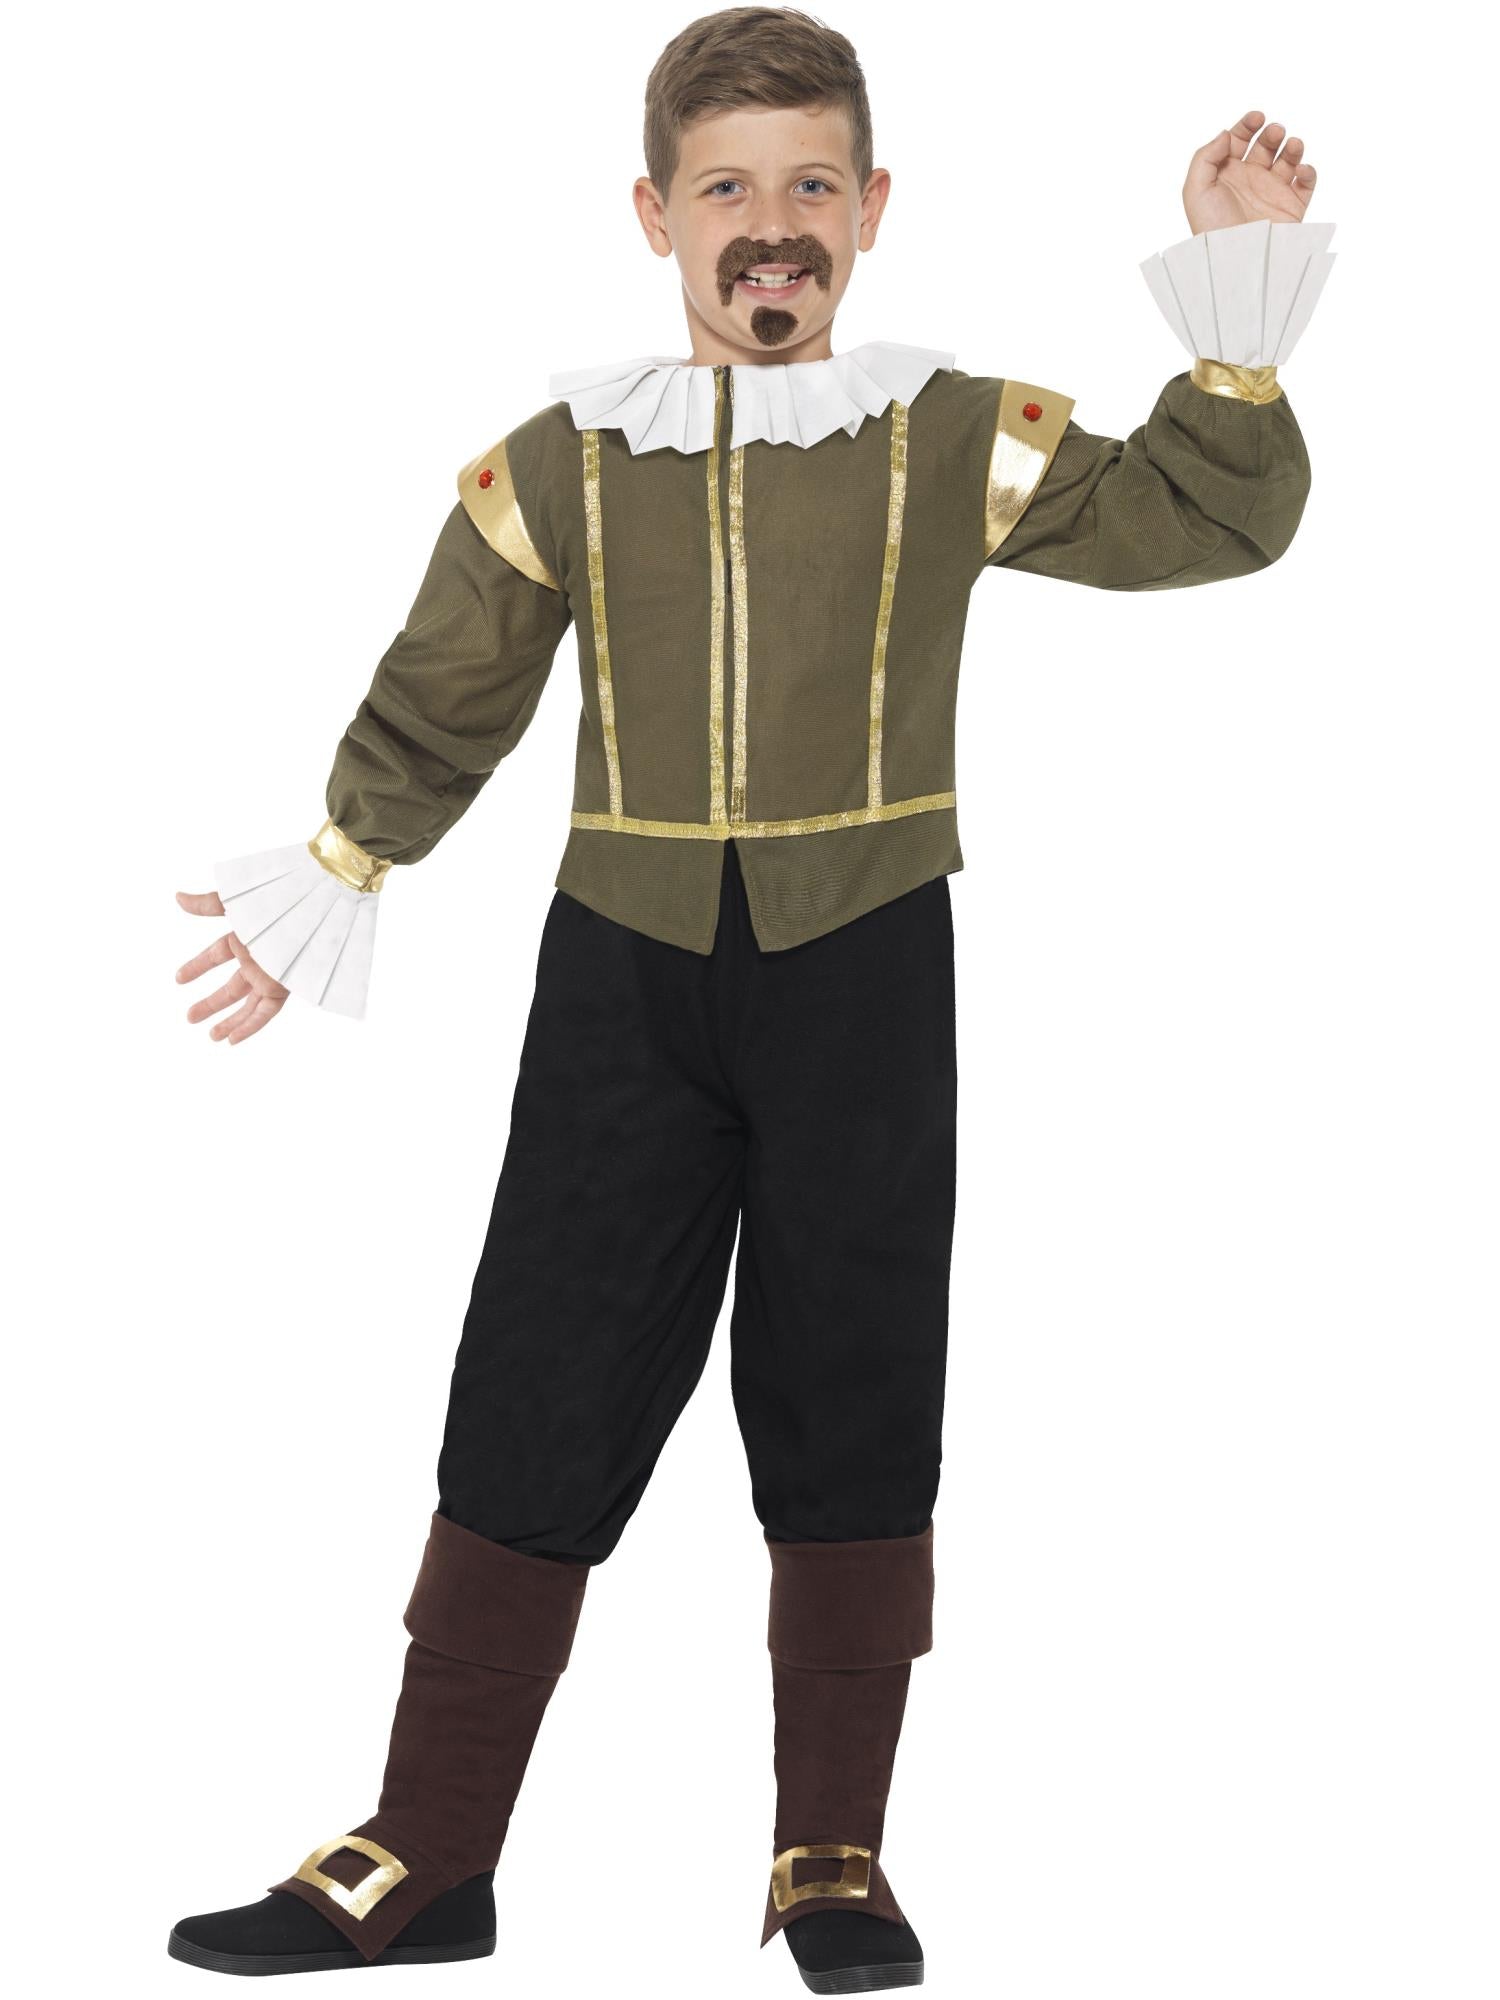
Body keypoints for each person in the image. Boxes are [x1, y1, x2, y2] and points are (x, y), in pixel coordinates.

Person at [169, 6, 1335, 1988]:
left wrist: (1239, 311)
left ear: (872, 210)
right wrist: (341, 864)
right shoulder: (563, 457)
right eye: (727, 188)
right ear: (657, 215)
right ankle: (432, 1847)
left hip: (864, 966)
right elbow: (452, 681)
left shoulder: (951, 432)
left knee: (855, 1378)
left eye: (810, 184)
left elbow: (1207, 515)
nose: (769, 224)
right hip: (621, 973)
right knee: (536, 1373)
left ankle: (831, 1852)